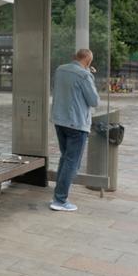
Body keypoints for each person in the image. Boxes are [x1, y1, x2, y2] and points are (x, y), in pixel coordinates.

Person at [50, 48, 99, 212]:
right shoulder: (85, 75)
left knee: (65, 159)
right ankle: (59, 200)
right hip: (77, 124)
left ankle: (59, 194)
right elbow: (94, 101)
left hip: (60, 120)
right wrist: (90, 76)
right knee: (72, 162)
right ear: (88, 61)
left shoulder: (60, 69)